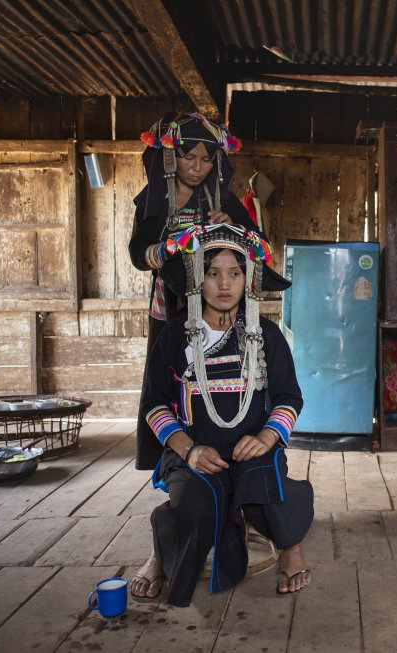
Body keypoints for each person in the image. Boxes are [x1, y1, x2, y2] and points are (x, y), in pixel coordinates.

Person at [129, 223, 313, 606]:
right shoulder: (174, 336)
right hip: (194, 454)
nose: (225, 284)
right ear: (197, 278)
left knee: (267, 491)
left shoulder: (265, 334)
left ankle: (291, 548)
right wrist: (189, 449)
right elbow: (154, 405)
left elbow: (289, 398)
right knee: (193, 506)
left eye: (235, 273)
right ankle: (161, 553)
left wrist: (266, 438)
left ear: (249, 279)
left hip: (252, 450)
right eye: (213, 273)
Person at [129, 113, 257, 471]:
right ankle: (174, 451)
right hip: (171, 305)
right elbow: (138, 254)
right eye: (189, 157)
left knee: (219, 373)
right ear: (171, 157)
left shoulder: (221, 201)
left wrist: (233, 226)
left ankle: (221, 443)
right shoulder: (152, 202)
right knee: (169, 373)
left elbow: (256, 244)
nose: (198, 167)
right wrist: (169, 247)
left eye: (206, 159)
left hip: (221, 308)